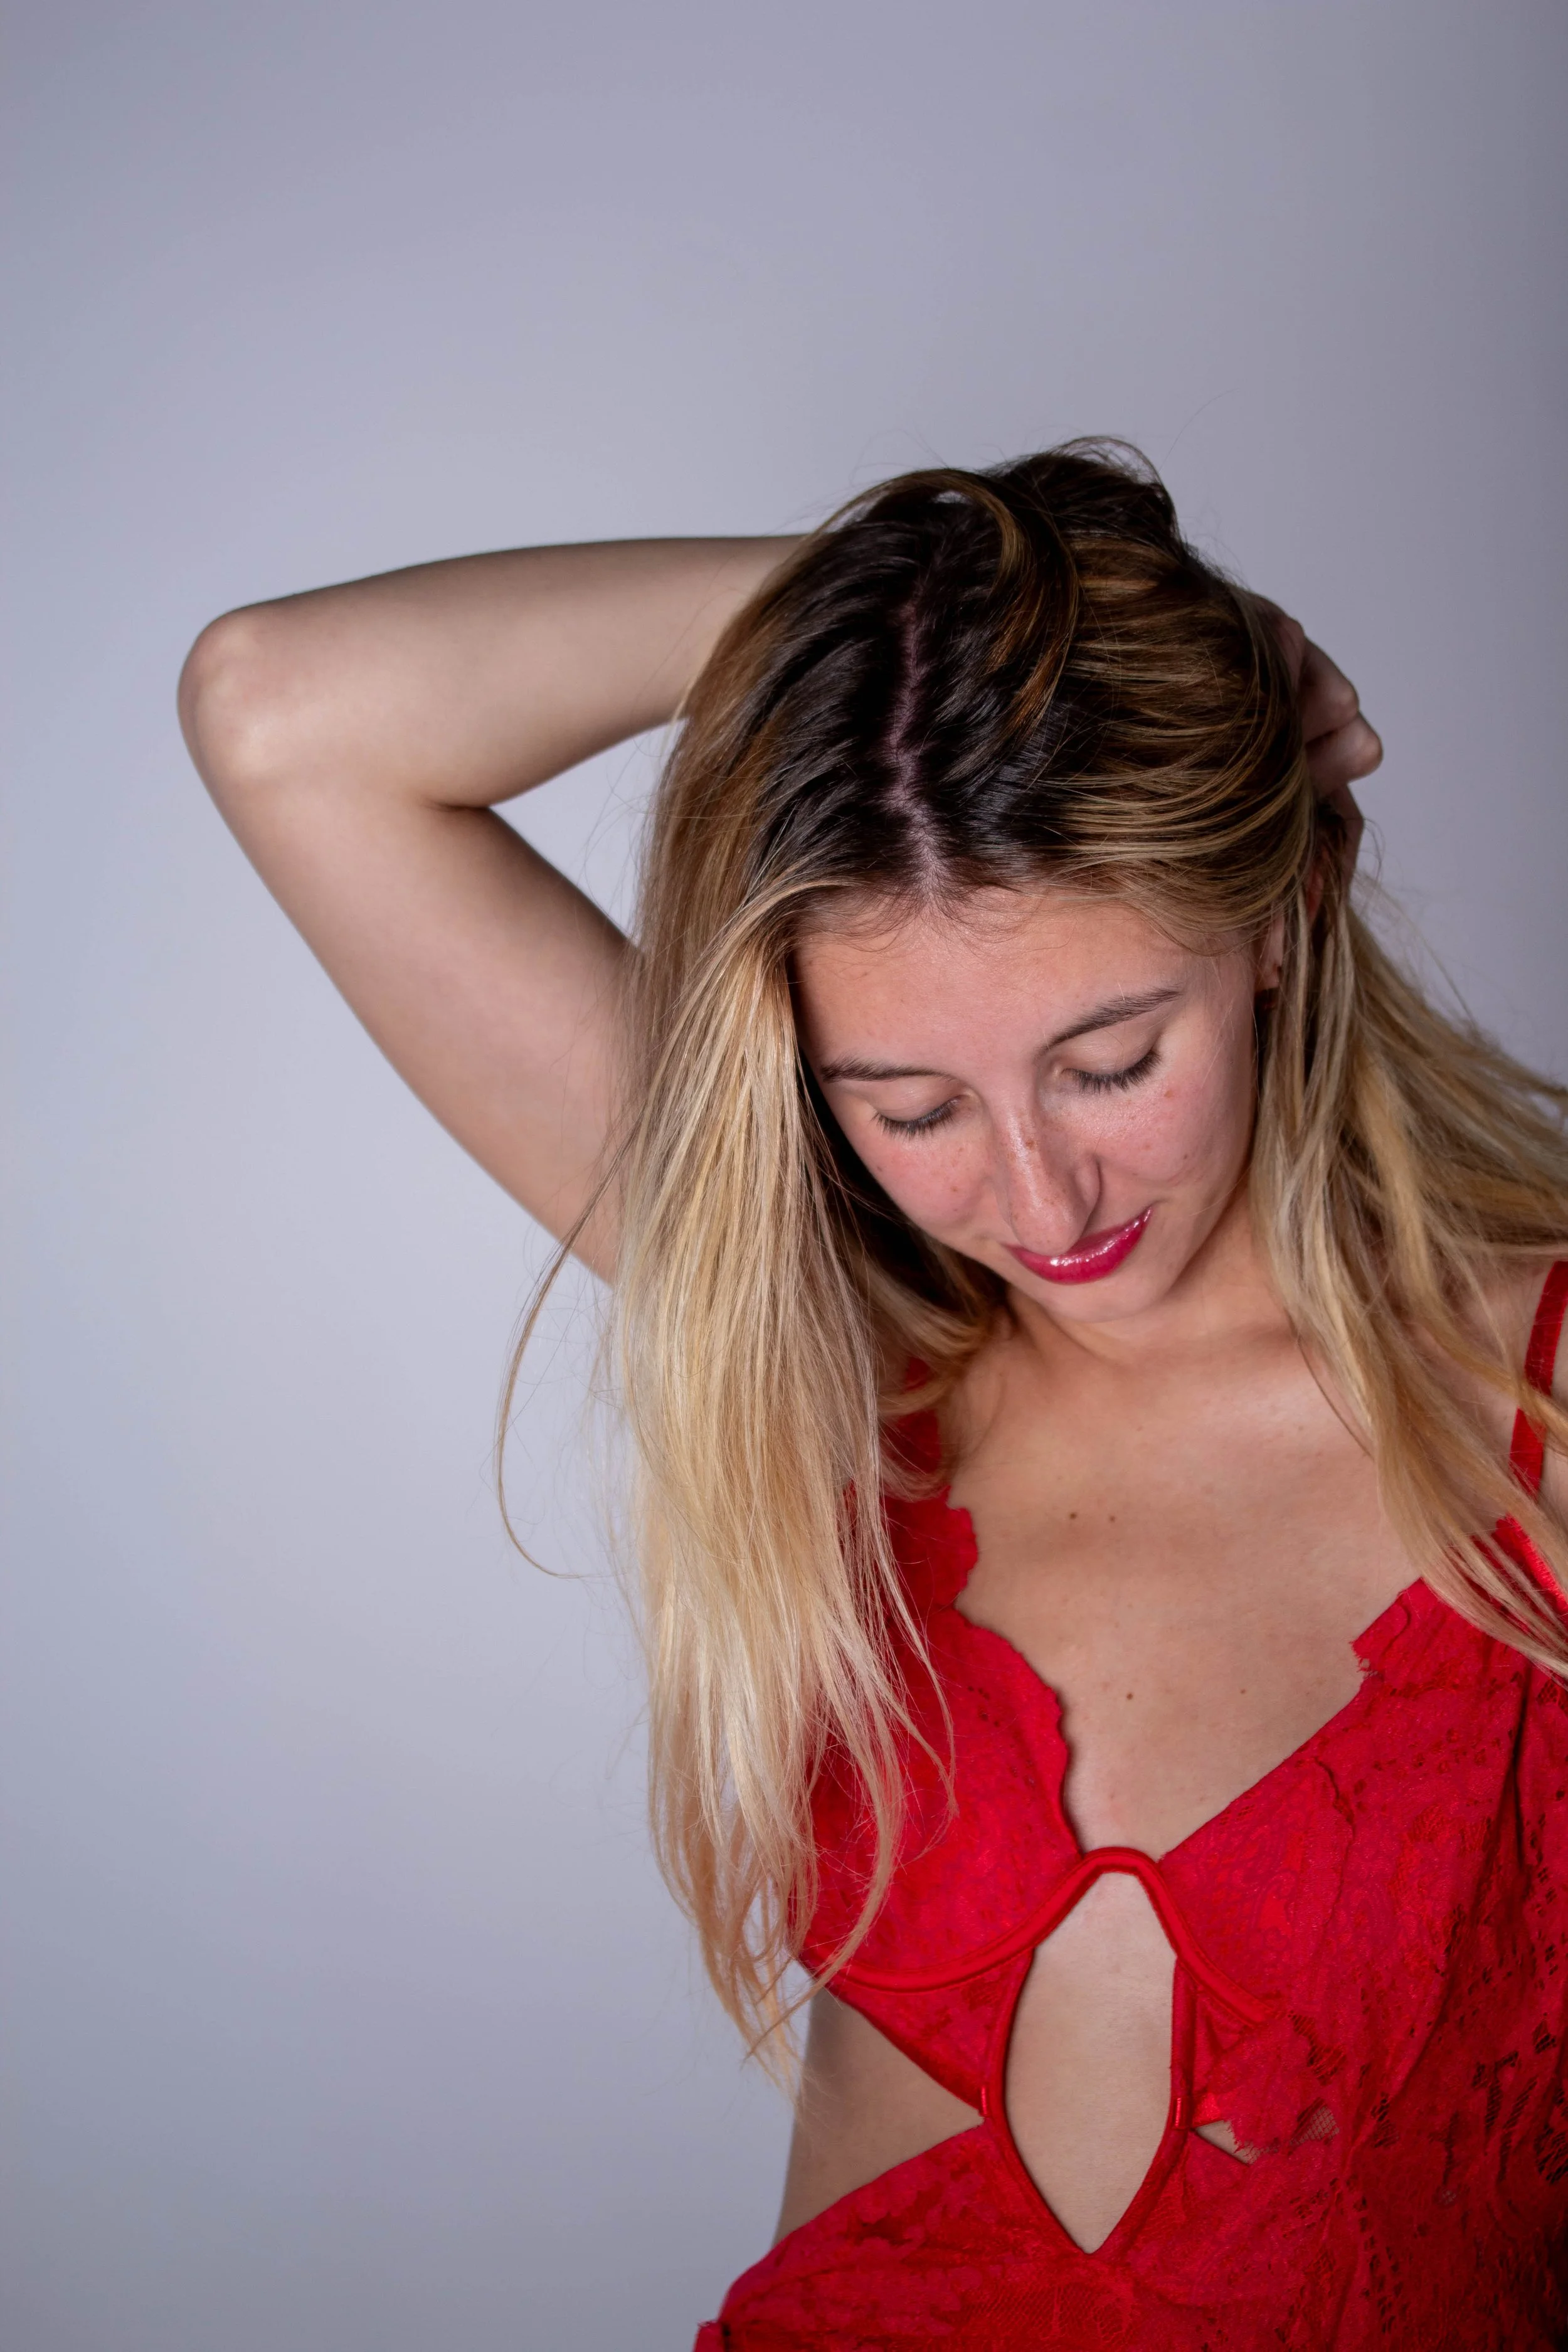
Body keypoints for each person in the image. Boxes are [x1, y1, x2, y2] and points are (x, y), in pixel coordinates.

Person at [179, 444, 1568, 2348]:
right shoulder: (850, 1347)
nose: (1036, 1195)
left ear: (1278, 911)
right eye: (906, 1107)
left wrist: (1109, 659)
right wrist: (945, 610)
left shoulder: (1533, 1404)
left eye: (1109, 1055)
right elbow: (281, 710)